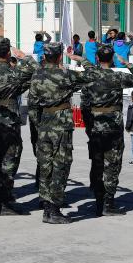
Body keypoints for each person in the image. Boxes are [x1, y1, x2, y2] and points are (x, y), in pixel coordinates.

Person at [27, 42, 97, 223]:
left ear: (44, 56)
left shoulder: (36, 75)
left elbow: (32, 105)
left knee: (45, 165)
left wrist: (38, 125)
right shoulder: (66, 75)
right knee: (61, 165)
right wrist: (81, 59)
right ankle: (54, 209)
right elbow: (93, 74)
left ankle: (46, 204)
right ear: (59, 57)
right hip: (61, 125)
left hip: (44, 124)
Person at [82, 44, 133, 216]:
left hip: (95, 127)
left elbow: (84, 104)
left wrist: (89, 126)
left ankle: (98, 201)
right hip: (113, 128)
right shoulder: (117, 76)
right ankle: (108, 203)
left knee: (97, 164)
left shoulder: (90, 77)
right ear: (111, 59)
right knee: (112, 164)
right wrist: (127, 63)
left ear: (97, 58)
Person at [0, 37, 35, 216]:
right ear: (8, 53)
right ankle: (4, 202)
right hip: (9, 125)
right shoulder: (13, 73)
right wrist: (24, 57)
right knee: (9, 164)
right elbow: (34, 68)